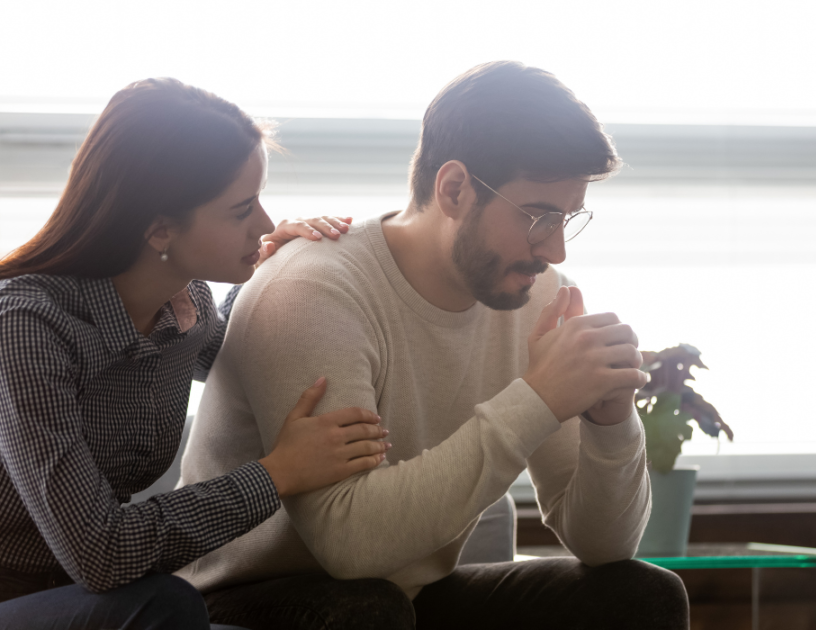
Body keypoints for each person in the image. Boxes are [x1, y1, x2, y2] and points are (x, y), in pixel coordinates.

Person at [179, 62, 690, 629]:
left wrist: (610, 423)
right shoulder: (312, 290)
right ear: (454, 189)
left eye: (567, 219)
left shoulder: (538, 294)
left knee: (641, 594)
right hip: (244, 598)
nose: (556, 250)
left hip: (406, 596)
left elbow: (605, 547)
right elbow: (348, 546)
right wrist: (539, 398)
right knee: (367, 611)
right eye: (540, 216)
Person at [0, 78, 414, 630]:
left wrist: (282, 273)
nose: (267, 224)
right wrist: (277, 473)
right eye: (242, 209)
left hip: (111, 602)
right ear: (160, 228)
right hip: (37, 595)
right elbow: (102, 554)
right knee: (167, 604)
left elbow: (245, 356)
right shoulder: (26, 327)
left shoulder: (186, 304)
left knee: (365, 611)